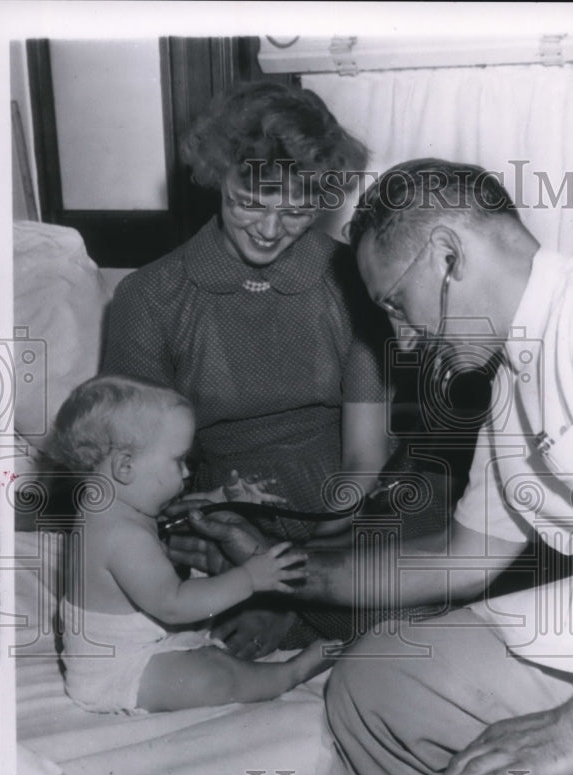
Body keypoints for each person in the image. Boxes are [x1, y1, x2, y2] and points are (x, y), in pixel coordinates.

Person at [178, 159, 573, 775]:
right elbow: (462, 559)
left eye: (396, 305)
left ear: (447, 255)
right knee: (371, 681)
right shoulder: (513, 373)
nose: (401, 339)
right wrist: (271, 565)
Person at [101, 81, 390, 658]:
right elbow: (136, 470)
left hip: (343, 502)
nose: (268, 228)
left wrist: (291, 585)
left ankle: (304, 615)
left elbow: (366, 455)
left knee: (428, 580)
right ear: (218, 175)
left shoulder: (354, 280)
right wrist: (252, 566)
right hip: (217, 506)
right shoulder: (148, 296)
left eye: (298, 210)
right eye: (251, 201)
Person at [50, 375, 339, 716]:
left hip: (143, 639)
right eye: (178, 461)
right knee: (212, 676)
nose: (187, 473)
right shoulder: (121, 537)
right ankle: (290, 673)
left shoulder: (112, 506)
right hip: (119, 670)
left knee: (213, 625)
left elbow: (173, 513)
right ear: (125, 466)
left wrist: (223, 498)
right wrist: (250, 578)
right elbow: (173, 605)